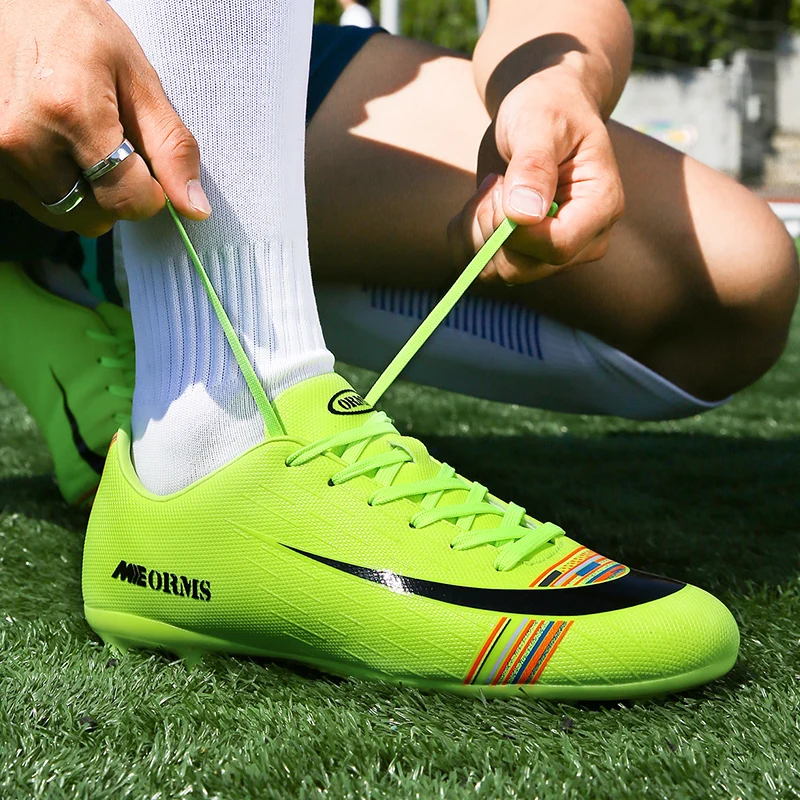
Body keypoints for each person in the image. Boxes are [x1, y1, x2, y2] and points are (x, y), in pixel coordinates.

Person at [1, 0, 787, 696]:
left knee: (725, 277)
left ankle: (111, 285)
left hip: (220, 54)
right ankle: (210, 442)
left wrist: (554, 83)